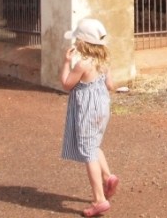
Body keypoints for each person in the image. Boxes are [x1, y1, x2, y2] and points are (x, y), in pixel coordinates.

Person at [60, 18, 119, 217]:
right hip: (102, 108)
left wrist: (66, 63)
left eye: (77, 39)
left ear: (83, 43)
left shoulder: (82, 65)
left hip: (87, 111)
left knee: (88, 153)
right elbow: (110, 86)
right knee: (94, 145)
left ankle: (99, 199)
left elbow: (67, 84)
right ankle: (108, 176)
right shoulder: (103, 62)